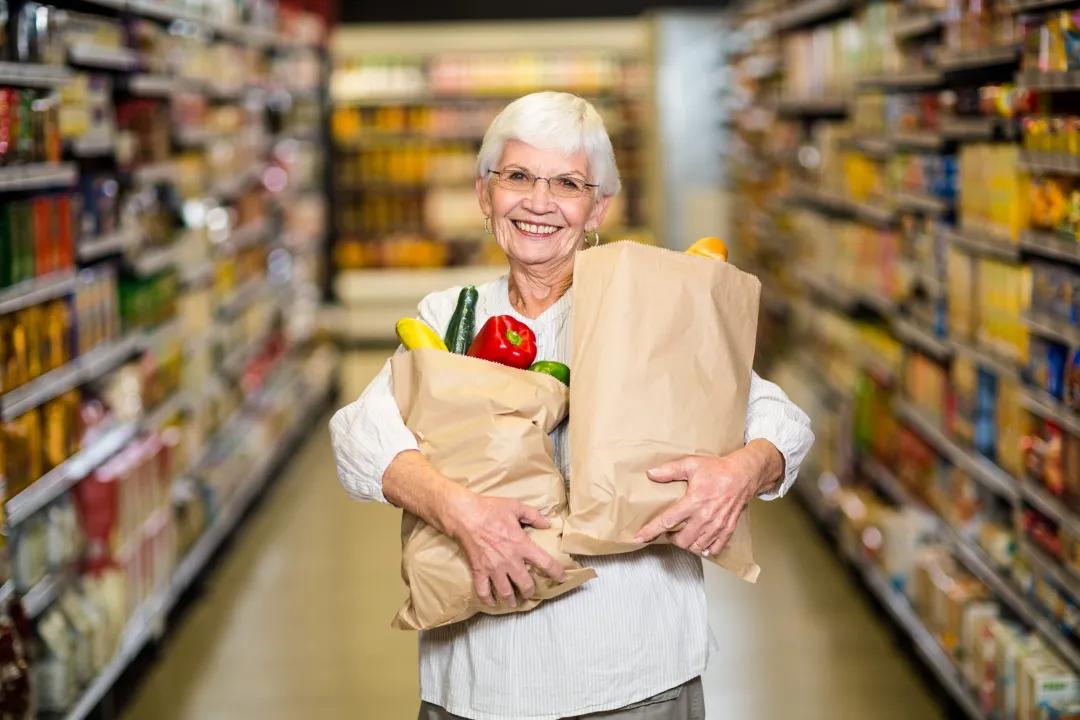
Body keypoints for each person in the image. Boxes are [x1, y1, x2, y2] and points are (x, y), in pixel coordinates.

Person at [330, 91, 814, 720]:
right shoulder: (448, 317)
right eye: (518, 177)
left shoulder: (649, 302)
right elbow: (358, 437)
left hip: (634, 675)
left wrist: (741, 471)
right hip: (478, 682)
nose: (539, 202)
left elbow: (781, 420)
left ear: (597, 208)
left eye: (567, 183)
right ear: (486, 195)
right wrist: (461, 511)